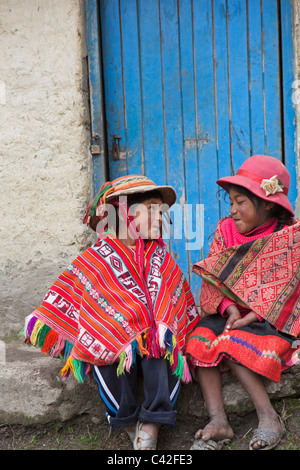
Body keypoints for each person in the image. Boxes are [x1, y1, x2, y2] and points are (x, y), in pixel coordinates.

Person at [21, 174, 199, 450]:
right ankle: (127, 421)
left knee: (163, 348)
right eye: (151, 209)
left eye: (161, 211)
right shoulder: (95, 260)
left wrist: (160, 330)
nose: (160, 218)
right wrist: (111, 329)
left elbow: (173, 307)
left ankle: (152, 421)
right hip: (114, 346)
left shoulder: (161, 257)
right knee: (101, 346)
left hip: (150, 345)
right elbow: (80, 305)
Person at [186, 155, 300, 450]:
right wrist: (229, 308)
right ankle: (218, 421)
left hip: (268, 321)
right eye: (231, 202)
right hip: (228, 314)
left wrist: (253, 314)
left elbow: (289, 288)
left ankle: (268, 416)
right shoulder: (226, 232)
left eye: (241, 202)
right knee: (199, 341)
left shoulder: (287, 237)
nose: (233, 210)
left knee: (233, 343)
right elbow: (212, 278)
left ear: (268, 205)